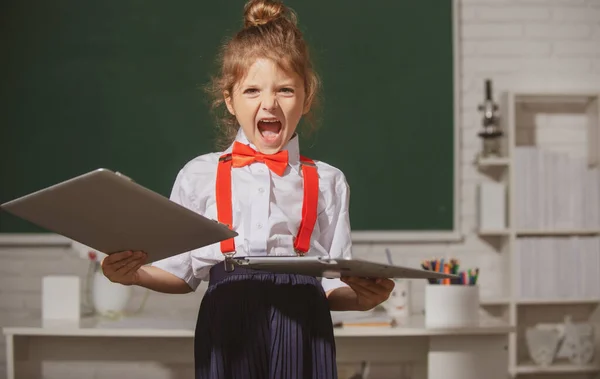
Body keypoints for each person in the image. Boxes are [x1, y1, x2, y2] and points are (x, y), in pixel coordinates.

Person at [101, 0, 394, 378]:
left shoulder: (328, 181)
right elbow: (180, 276)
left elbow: (332, 285)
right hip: (226, 322)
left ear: (307, 99)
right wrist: (132, 275)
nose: (269, 103)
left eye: (286, 90)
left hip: (304, 325)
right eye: (252, 90)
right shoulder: (198, 175)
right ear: (230, 100)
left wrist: (362, 299)